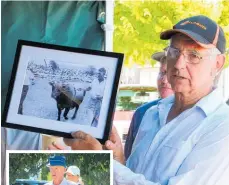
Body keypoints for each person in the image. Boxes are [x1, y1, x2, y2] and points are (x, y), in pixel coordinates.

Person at [61, 15, 229, 185]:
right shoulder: (152, 114)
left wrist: (101, 161)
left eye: (193, 55)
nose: (178, 64)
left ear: (217, 64)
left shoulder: (222, 126)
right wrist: (118, 158)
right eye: (174, 52)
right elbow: (135, 177)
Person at [124, 50, 174, 160]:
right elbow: (127, 159)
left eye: (171, 74)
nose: (164, 80)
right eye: (162, 73)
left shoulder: (193, 115)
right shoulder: (143, 112)